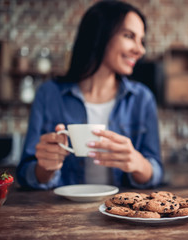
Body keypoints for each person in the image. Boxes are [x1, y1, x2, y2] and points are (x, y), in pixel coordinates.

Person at [16, 0, 163, 190]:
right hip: (61, 215)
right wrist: (46, 168)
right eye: (129, 36)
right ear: (100, 35)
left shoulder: (142, 99)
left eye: (141, 40)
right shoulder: (49, 94)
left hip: (120, 213)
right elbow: (25, 173)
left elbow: (157, 171)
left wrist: (139, 164)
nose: (140, 49)